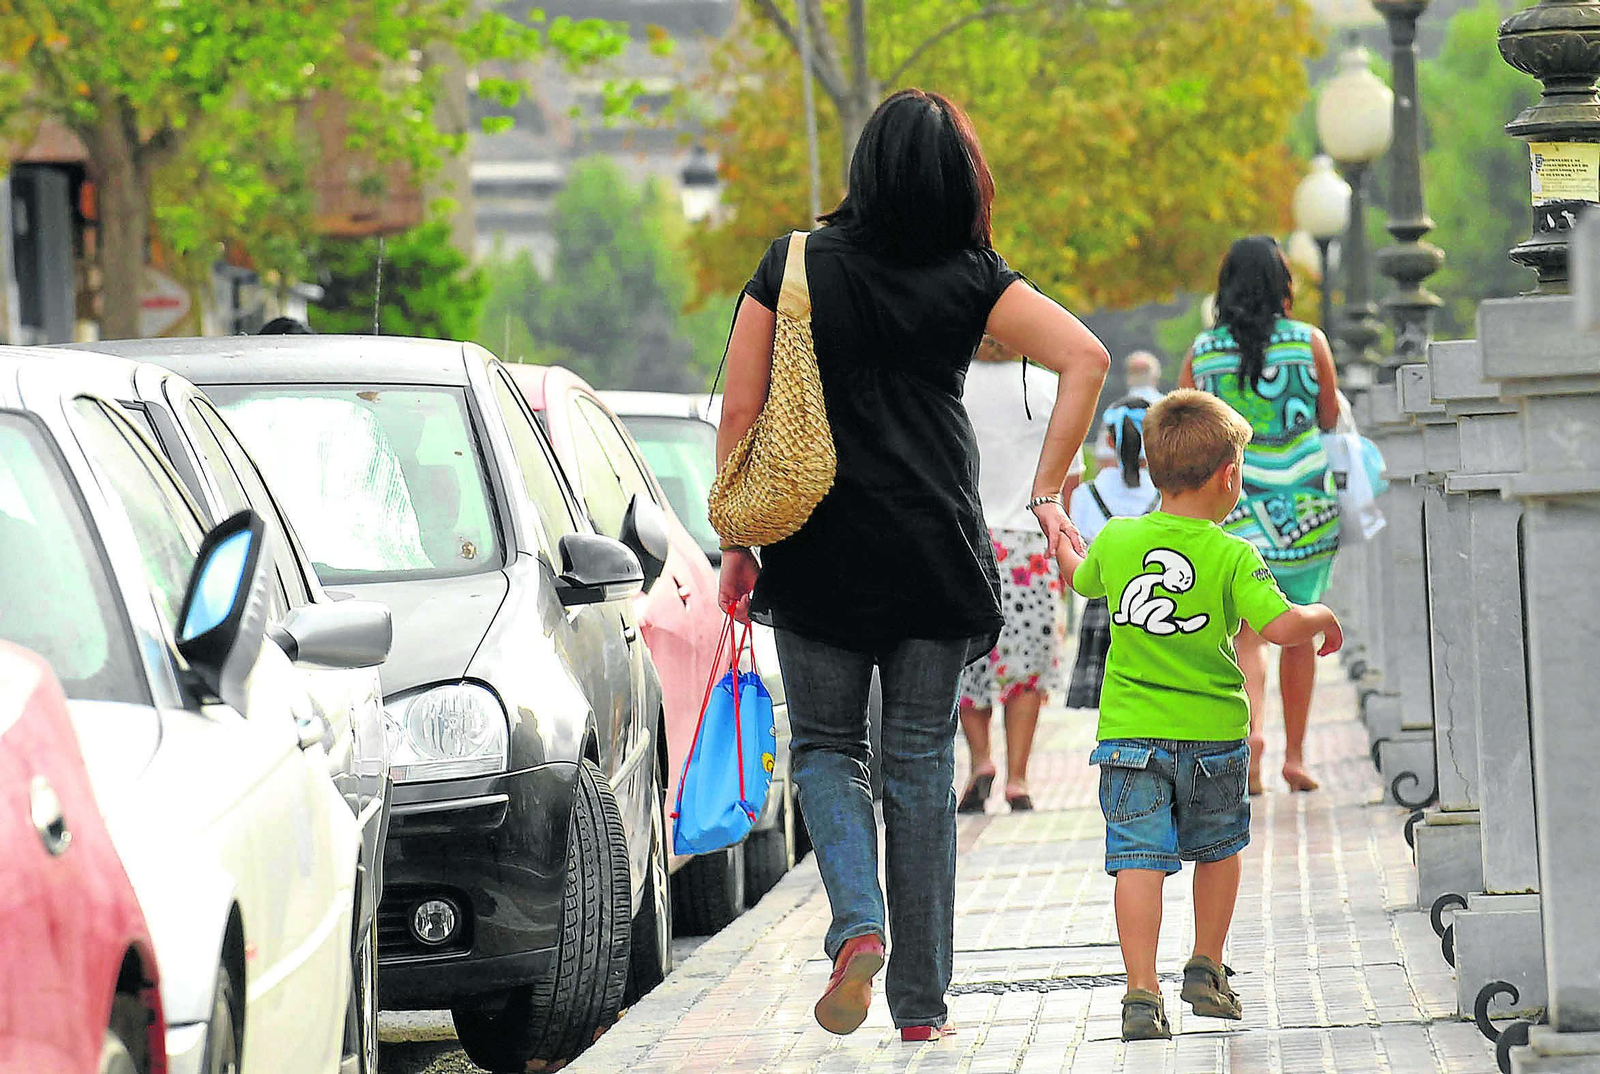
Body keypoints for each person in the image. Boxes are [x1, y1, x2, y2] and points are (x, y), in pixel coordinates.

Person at [716, 88, 1109, 1043]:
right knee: (922, 763)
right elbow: (1087, 358)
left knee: (825, 749)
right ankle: (923, 1009)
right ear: (954, 180)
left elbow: (738, 409)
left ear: (865, 168)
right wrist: (1048, 491)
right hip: (934, 540)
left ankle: (857, 926)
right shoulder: (974, 277)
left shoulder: (795, 265)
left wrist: (737, 540)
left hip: (816, 545)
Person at [1054, 389, 1342, 1041]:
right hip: (1213, 739)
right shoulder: (1234, 554)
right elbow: (1279, 625)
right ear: (1229, 476)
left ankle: (1139, 993)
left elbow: (1079, 576)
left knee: (1136, 859)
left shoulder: (1120, 539)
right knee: (1218, 849)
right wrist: (1322, 616)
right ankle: (1206, 967)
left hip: (1129, 739)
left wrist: (1064, 535)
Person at [1180, 236, 1341, 794]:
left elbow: (1183, 426)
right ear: (1283, 284)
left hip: (1235, 503)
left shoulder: (1205, 350)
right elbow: (1328, 416)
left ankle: (1250, 741)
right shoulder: (1309, 343)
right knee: (1298, 634)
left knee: (1246, 636)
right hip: (1305, 506)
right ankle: (1295, 756)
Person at [956, 335, 1086, 814]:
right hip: (1031, 543)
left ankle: (980, 761)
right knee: (1027, 667)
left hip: (966, 541)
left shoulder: (954, 383)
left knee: (967, 658)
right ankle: (1017, 778)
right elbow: (1069, 479)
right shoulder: (1047, 388)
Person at [1064, 396, 1159, 709]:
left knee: (1110, 705)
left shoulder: (1086, 494)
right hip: (1160, 605)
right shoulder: (1168, 492)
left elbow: (1081, 552)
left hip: (1105, 607)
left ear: (1108, 440)